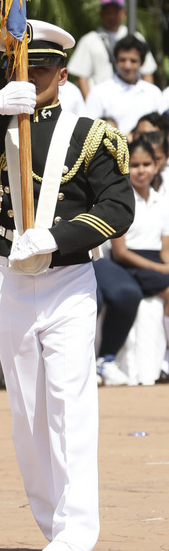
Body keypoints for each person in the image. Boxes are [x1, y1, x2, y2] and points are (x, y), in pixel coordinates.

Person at [0, 19, 135, 551]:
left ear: (62, 74)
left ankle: (77, 530)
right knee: (28, 412)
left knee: (70, 404)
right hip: (12, 277)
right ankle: (52, 522)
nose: (31, 78)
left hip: (67, 278)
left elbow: (117, 207)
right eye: (21, 68)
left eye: (40, 69)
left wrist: (60, 236)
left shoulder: (91, 134)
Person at [94, 136, 169, 386]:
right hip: (127, 263)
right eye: (135, 165)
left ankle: (163, 358)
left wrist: (165, 266)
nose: (141, 170)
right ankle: (108, 359)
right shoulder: (121, 199)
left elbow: (165, 249)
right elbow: (121, 252)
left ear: (156, 166)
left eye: (147, 164)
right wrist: (161, 269)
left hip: (154, 262)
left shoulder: (162, 202)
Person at [67, 0, 156, 99]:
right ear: (100, 13)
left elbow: (147, 72)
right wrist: (91, 104)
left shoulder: (136, 38)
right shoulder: (89, 41)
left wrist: (148, 100)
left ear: (124, 13)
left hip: (133, 99)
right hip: (102, 101)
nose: (112, 16)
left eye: (116, 12)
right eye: (108, 12)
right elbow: (82, 78)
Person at [84, 35, 163, 134]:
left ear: (142, 62)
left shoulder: (154, 93)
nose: (127, 66)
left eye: (133, 61)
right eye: (122, 60)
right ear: (115, 60)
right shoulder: (99, 92)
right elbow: (89, 130)